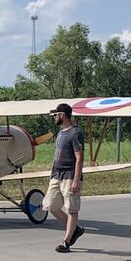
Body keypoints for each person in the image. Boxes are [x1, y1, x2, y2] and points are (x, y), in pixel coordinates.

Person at [42, 103, 85, 253]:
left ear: (62, 115)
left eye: (55, 115)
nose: (54, 117)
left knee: (72, 208)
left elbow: (79, 158)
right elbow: (57, 156)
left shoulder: (76, 133)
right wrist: (52, 175)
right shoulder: (60, 133)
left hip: (69, 175)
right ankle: (75, 229)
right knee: (50, 205)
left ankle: (66, 241)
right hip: (57, 175)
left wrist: (76, 180)